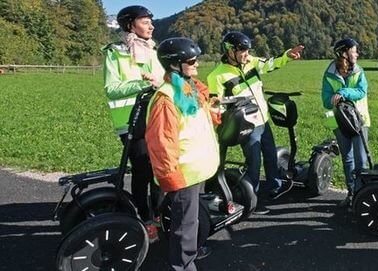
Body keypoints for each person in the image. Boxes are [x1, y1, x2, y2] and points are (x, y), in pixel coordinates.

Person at [207, 31, 303, 214]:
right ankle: (252, 199)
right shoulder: (217, 76)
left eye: (247, 50)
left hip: (263, 119)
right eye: (242, 50)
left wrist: (287, 56)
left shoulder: (251, 62)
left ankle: (275, 186)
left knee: (269, 155)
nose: (246, 54)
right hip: (245, 125)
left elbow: (269, 64)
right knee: (253, 162)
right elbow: (215, 106)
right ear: (230, 51)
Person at [146, 37, 218, 271]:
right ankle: (182, 266)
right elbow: (161, 144)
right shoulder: (166, 99)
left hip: (195, 171)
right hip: (183, 175)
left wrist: (216, 116)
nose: (197, 64)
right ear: (176, 64)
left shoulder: (190, 89)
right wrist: (171, 178)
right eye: (192, 60)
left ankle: (187, 259)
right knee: (184, 229)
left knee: (190, 222)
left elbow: (196, 120)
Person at [102, 5, 163, 235]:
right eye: (145, 22)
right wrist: (143, 83)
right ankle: (144, 218)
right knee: (143, 171)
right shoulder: (115, 52)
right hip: (131, 122)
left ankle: (158, 214)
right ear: (130, 25)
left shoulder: (153, 50)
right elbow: (112, 89)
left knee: (160, 169)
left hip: (157, 118)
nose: (151, 26)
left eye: (150, 22)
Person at [321, 38, 370, 207]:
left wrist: (343, 92)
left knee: (360, 159)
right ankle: (351, 193)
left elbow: (362, 91)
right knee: (347, 159)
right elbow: (325, 100)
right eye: (354, 51)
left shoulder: (358, 72)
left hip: (359, 121)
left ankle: (362, 194)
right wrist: (332, 99)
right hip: (339, 122)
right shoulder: (329, 74)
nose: (357, 54)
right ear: (344, 53)